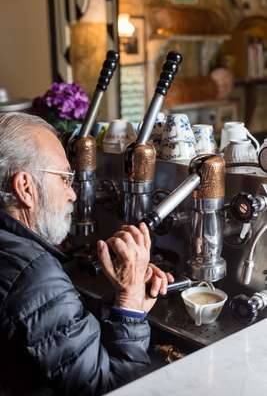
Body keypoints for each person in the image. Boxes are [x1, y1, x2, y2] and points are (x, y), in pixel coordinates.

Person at [0, 112, 173, 396]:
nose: (74, 194)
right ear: (25, 188)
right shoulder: (33, 276)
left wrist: (124, 306)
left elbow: (51, 331)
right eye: (66, 178)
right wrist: (130, 301)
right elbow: (109, 388)